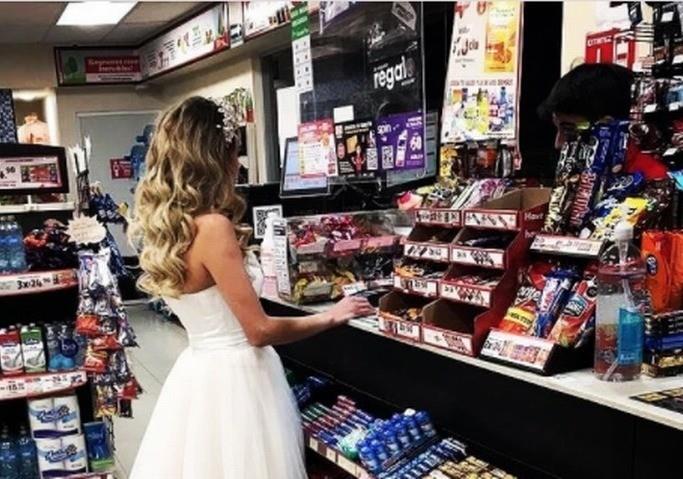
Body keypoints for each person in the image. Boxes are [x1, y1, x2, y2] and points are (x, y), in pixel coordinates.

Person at [128, 96, 374, 479]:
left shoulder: (172, 230)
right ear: (215, 155)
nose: (238, 163)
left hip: (197, 375)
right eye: (234, 151)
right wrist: (331, 317)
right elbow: (258, 331)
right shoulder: (212, 227)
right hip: (239, 380)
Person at [538, 62, 668, 179]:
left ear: (607, 126)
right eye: (558, 129)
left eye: (569, 130)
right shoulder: (582, 174)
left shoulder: (653, 181)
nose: (558, 143)